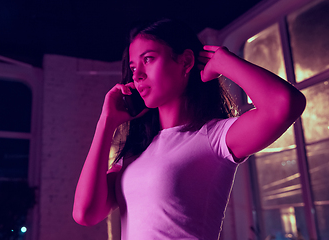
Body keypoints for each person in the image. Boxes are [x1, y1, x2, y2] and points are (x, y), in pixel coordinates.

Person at [73, 18, 306, 240]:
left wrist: (225, 62)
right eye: (133, 66)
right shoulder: (136, 152)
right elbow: (85, 213)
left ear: (185, 61)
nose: (137, 75)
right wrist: (106, 123)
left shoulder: (214, 136)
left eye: (148, 59)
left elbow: (285, 104)